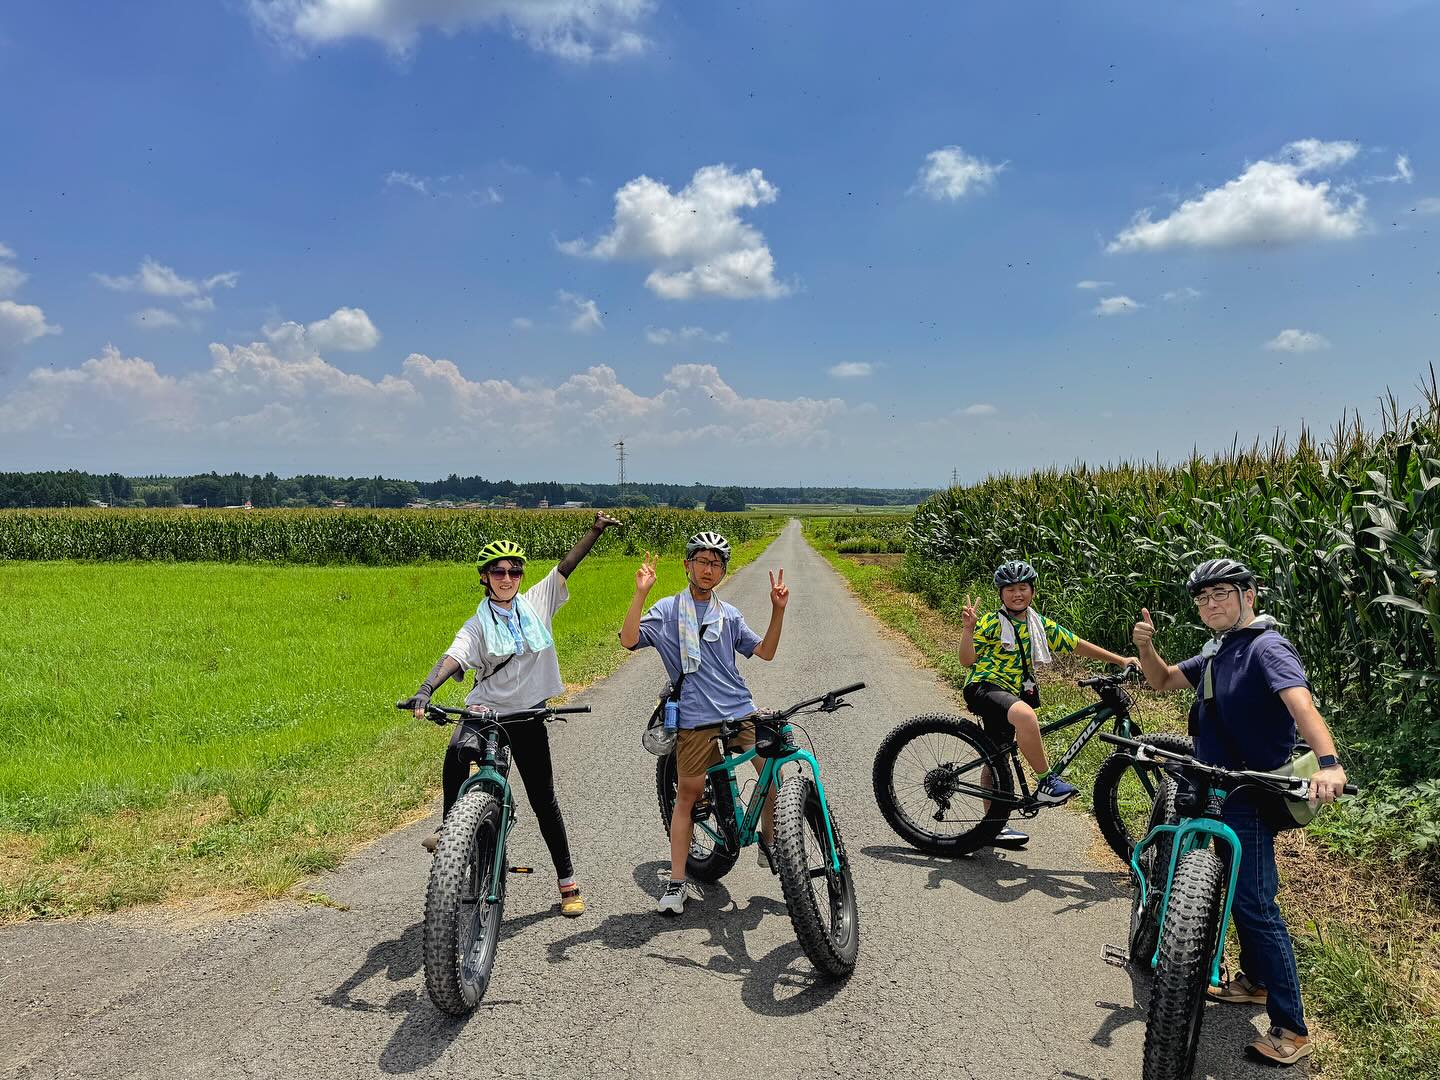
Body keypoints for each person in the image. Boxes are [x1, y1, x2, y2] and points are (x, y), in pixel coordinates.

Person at [1132, 557, 1347, 1067]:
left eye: (1221, 594)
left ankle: (1291, 1028)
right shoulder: (1218, 651)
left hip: (1248, 793)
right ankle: (1251, 983)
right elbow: (1161, 680)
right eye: (1202, 599)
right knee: (1226, 886)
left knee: (1253, 903)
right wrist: (1145, 647)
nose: (1210, 605)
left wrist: (1329, 763)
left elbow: (1300, 703)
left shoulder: (1265, 647)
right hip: (1212, 785)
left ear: (1249, 595)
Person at [400, 511, 621, 918]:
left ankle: (567, 882)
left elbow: (567, 565)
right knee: (456, 752)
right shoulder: (477, 625)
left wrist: (595, 530)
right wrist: (426, 689)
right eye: (498, 571)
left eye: (514, 571)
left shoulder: (536, 602)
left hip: (528, 716)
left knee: (543, 799)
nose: (507, 578)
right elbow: (454, 656)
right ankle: (452, 829)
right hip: (487, 712)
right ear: (484, 577)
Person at [619, 531, 789, 915]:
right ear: (687, 565)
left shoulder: (728, 615)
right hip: (694, 719)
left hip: (739, 710)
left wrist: (777, 610)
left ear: (723, 571)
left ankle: (768, 842)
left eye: (716, 563)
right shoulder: (667, 611)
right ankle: (678, 881)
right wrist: (641, 592)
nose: (708, 569)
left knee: (770, 775)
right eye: (702, 561)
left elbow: (765, 652)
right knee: (688, 796)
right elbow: (628, 640)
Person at [959, 559, 1138, 848]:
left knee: (996, 759)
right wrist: (968, 629)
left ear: (1032, 591)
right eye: (1010, 590)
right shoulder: (992, 622)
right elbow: (967, 661)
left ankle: (992, 828)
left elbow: (1075, 643)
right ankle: (1046, 781)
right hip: (985, 686)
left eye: (1023, 588)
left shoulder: (1038, 624)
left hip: (1011, 693)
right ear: (1001, 594)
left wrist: (1120, 660)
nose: (1017, 594)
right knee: (1026, 717)